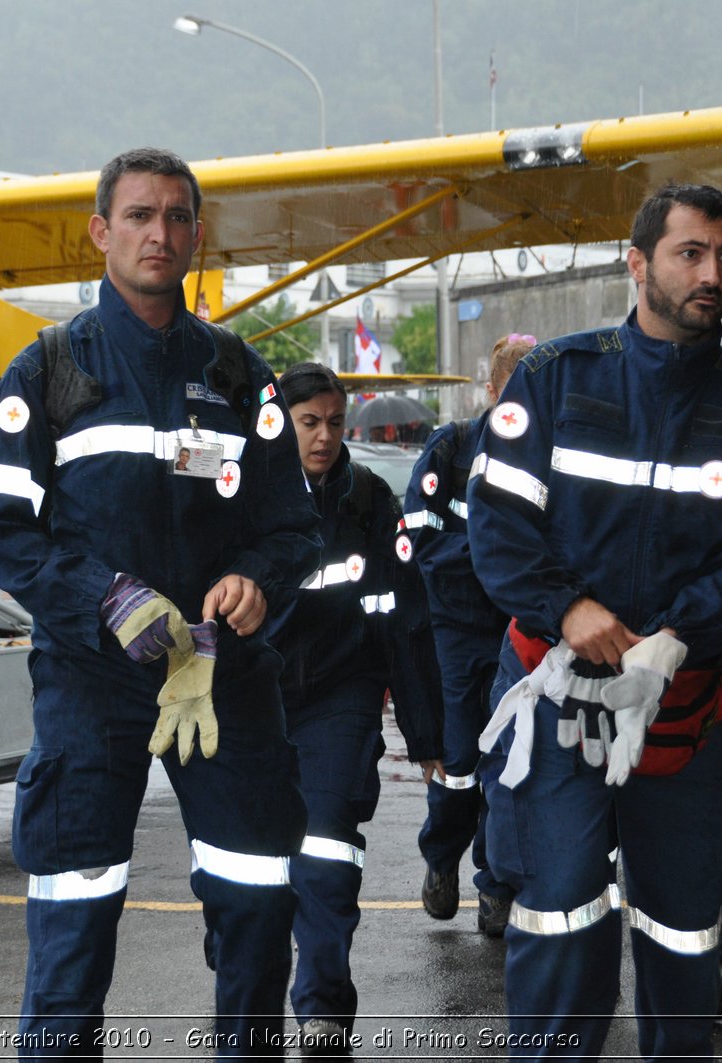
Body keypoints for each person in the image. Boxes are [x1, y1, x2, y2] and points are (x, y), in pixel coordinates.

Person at [0, 147, 320, 1058]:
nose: (158, 233)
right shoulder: (46, 374)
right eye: (137, 216)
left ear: (198, 236)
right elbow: (2, 531)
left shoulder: (244, 379)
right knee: (76, 897)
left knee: (255, 895)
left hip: (225, 675)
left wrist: (256, 583)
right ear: (101, 232)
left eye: (175, 217)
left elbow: (292, 526)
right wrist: (104, 597)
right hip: (93, 682)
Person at [467, 183, 722, 1060]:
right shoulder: (554, 381)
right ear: (637, 263)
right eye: (690, 253)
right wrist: (569, 608)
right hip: (556, 705)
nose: (713, 274)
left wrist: (676, 638)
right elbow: (498, 529)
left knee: (685, 932)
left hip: (681, 712)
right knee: (559, 914)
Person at [262, 363, 442, 1055]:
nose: (325, 435)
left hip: (342, 692)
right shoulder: (245, 495)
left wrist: (427, 735)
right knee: (245, 859)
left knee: (328, 844)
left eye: (336, 422)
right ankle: (243, 971)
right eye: (311, 421)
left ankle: (324, 1003)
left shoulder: (369, 501)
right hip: (258, 696)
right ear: (281, 422)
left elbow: (404, 617)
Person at [404, 333, 533, 936]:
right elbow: (421, 540)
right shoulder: (451, 449)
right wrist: (496, 561)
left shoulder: (547, 453)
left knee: (510, 763)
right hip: (457, 631)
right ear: (491, 390)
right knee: (459, 764)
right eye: (513, 393)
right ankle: (440, 860)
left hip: (523, 630)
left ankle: (495, 886)